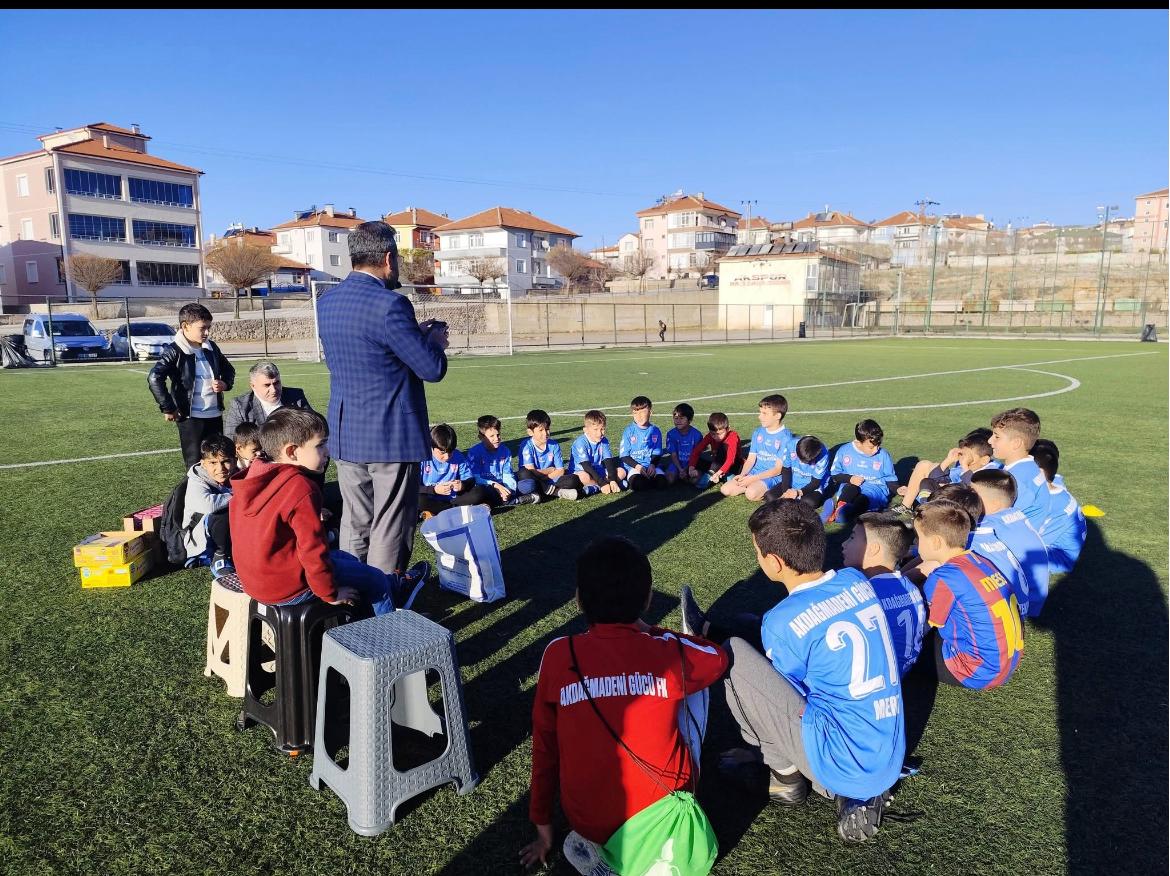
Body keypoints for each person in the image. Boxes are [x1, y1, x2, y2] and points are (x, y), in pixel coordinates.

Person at [682, 500, 905, 843]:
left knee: (736, 657)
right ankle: (711, 630)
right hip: (885, 751)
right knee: (750, 629)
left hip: (839, 761)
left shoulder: (783, 620)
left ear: (773, 562)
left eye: (757, 552)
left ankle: (783, 778)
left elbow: (784, 696)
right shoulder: (856, 581)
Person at [521, 536, 727, 874]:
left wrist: (543, 827)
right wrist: (653, 633)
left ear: (578, 601)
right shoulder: (666, 652)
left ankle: (607, 851)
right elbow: (718, 657)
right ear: (647, 600)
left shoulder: (558, 654)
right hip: (662, 817)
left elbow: (544, 746)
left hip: (585, 822)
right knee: (695, 689)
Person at [317, 221, 448, 579]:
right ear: (388, 258)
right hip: (390, 436)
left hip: (347, 432)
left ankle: (349, 599)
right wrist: (433, 341)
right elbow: (431, 369)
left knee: (355, 523)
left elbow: (365, 356)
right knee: (390, 526)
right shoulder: (391, 304)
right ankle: (381, 606)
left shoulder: (327, 302)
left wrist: (413, 338)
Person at [230, 409, 428, 617]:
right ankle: (390, 640)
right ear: (292, 452)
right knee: (374, 580)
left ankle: (392, 587)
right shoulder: (299, 487)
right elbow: (312, 550)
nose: (328, 451)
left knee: (346, 558)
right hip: (288, 586)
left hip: (258, 582)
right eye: (320, 445)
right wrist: (330, 593)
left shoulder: (253, 477)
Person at [916, 501, 1023, 691]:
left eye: (918, 538)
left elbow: (921, 626)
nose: (916, 543)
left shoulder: (945, 578)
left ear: (936, 542)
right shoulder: (981, 561)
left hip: (976, 671)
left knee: (898, 643)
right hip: (1006, 662)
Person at [148, 302, 236, 470]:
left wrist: (225, 383)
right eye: (202, 328)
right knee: (195, 464)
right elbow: (154, 377)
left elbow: (229, 370)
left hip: (215, 415)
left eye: (209, 327)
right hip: (191, 418)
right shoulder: (175, 350)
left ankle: (218, 494)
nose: (207, 332)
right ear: (185, 326)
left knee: (218, 460)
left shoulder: (211, 347)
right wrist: (168, 408)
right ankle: (193, 495)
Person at [841, 512, 925, 678]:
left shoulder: (862, 593)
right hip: (905, 669)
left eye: (851, 538)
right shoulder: (910, 587)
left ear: (872, 549)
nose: (844, 544)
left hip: (876, 678)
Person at [969, 469, 1050, 620]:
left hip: (1016, 607)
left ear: (994, 503)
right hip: (1033, 599)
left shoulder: (988, 525)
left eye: (973, 494)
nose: (968, 498)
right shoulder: (1016, 514)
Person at [899, 427, 999, 507]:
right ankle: (906, 508)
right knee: (926, 480)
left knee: (932, 484)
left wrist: (965, 466)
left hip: (959, 506)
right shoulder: (964, 467)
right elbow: (934, 478)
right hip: (945, 498)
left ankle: (923, 506)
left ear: (984, 459)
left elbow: (974, 487)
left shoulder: (991, 470)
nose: (963, 458)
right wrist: (948, 460)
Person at [720, 395, 795, 501]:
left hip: (772, 476)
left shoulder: (786, 437)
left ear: (777, 415)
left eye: (764, 413)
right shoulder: (758, 432)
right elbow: (751, 459)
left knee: (751, 494)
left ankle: (757, 488)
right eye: (760, 412)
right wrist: (743, 475)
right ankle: (750, 487)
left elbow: (778, 470)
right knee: (725, 489)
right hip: (754, 472)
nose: (759, 417)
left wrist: (752, 479)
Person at [824, 419, 898, 524]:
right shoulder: (844, 451)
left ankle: (840, 513)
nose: (876, 449)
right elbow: (835, 475)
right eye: (871, 447)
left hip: (874, 490)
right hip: (849, 487)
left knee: (864, 499)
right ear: (859, 442)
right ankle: (841, 509)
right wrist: (850, 478)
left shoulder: (883, 455)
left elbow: (890, 479)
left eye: (878, 444)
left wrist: (898, 489)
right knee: (851, 488)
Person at [988, 407, 1051, 530]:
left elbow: (1001, 521)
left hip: (1014, 542)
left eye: (997, 436)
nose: (990, 441)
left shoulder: (1015, 480)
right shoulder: (1029, 467)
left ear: (1016, 443)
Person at [183, 434, 236, 576]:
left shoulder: (237, 473)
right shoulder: (196, 479)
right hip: (200, 539)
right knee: (222, 511)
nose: (220, 468)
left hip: (227, 534)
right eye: (213, 463)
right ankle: (220, 556)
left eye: (225, 461)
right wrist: (238, 495)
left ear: (235, 460)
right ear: (203, 464)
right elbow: (208, 505)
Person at [1030, 439, 1086, 574]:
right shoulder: (1054, 482)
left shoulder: (1050, 504)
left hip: (1057, 558)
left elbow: (1031, 538)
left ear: (1039, 472)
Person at [223, 361, 314, 440]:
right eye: (267, 385)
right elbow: (231, 440)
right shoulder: (240, 406)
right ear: (253, 386)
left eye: (276, 383)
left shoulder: (296, 397)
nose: (274, 389)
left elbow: (314, 427)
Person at [418, 424, 492, 519]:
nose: (447, 456)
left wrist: (463, 485)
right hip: (432, 499)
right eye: (442, 453)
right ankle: (460, 510)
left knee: (479, 491)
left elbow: (471, 480)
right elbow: (413, 487)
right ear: (432, 447)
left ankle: (439, 512)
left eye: (451, 452)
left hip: (453, 499)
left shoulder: (458, 456)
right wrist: (434, 490)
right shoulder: (423, 458)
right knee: (418, 500)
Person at [467, 415, 540, 508]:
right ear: (481, 437)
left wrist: (508, 490)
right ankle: (518, 500)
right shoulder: (474, 452)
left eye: (498, 435)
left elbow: (507, 474)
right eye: (491, 436)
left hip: (503, 485)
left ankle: (502, 501)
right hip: (486, 486)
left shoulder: (505, 451)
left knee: (529, 485)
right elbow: (475, 478)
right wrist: (495, 486)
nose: (497, 439)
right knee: (479, 493)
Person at [517, 409, 581, 501]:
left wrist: (545, 477)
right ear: (530, 432)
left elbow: (560, 470)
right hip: (533, 479)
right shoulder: (526, 445)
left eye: (547, 429)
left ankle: (539, 494)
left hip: (549, 479)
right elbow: (531, 470)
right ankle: (555, 492)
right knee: (525, 476)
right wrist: (550, 470)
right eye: (541, 430)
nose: (545, 433)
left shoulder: (554, 445)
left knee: (573, 480)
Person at [567, 410, 625, 496]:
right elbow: (587, 466)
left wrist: (612, 479)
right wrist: (602, 483)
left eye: (602, 429)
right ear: (585, 430)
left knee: (621, 471)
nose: (599, 433)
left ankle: (597, 487)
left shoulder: (604, 440)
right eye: (595, 429)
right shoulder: (581, 442)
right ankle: (601, 486)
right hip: (582, 471)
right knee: (584, 477)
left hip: (598, 470)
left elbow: (608, 461)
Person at [766, 435, 830, 507]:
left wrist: (799, 492)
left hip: (810, 486)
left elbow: (815, 482)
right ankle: (794, 504)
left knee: (810, 502)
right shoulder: (790, 445)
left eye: (806, 461)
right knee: (770, 497)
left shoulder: (824, 455)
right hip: (792, 482)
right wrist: (786, 491)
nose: (801, 463)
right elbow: (786, 469)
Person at [619, 396, 667, 491]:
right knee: (639, 484)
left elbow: (657, 453)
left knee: (662, 483)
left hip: (650, 466)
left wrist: (652, 465)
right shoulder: (629, 431)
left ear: (650, 412)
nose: (639, 416)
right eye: (635, 413)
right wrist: (638, 467)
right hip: (634, 466)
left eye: (642, 412)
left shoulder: (655, 431)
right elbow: (624, 456)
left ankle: (652, 478)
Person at [687, 412, 740, 488]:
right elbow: (696, 451)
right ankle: (722, 476)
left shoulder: (733, 436)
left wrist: (718, 473)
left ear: (728, 429)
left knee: (722, 447)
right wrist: (691, 468)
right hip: (716, 465)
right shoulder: (710, 436)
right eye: (713, 434)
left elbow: (730, 460)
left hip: (734, 465)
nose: (716, 437)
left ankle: (719, 475)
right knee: (696, 462)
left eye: (719, 434)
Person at [663, 403, 704, 485]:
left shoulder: (697, 435)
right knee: (669, 479)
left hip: (692, 464)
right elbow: (673, 455)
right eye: (676, 418)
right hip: (676, 464)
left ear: (690, 420)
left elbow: (696, 455)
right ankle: (674, 473)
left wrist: (686, 469)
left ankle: (686, 476)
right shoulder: (671, 434)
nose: (678, 421)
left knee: (695, 480)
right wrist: (680, 469)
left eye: (681, 418)